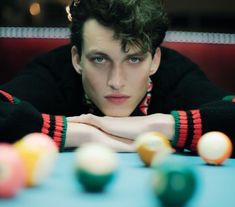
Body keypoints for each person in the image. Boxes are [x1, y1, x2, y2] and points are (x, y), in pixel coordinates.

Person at [0, 0, 234, 154]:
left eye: (134, 59)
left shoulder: (177, 73)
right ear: (77, 59)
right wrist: (81, 133)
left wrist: (160, 125)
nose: (116, 81)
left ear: (154, 61)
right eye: (99, 59)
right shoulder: (52, 71)